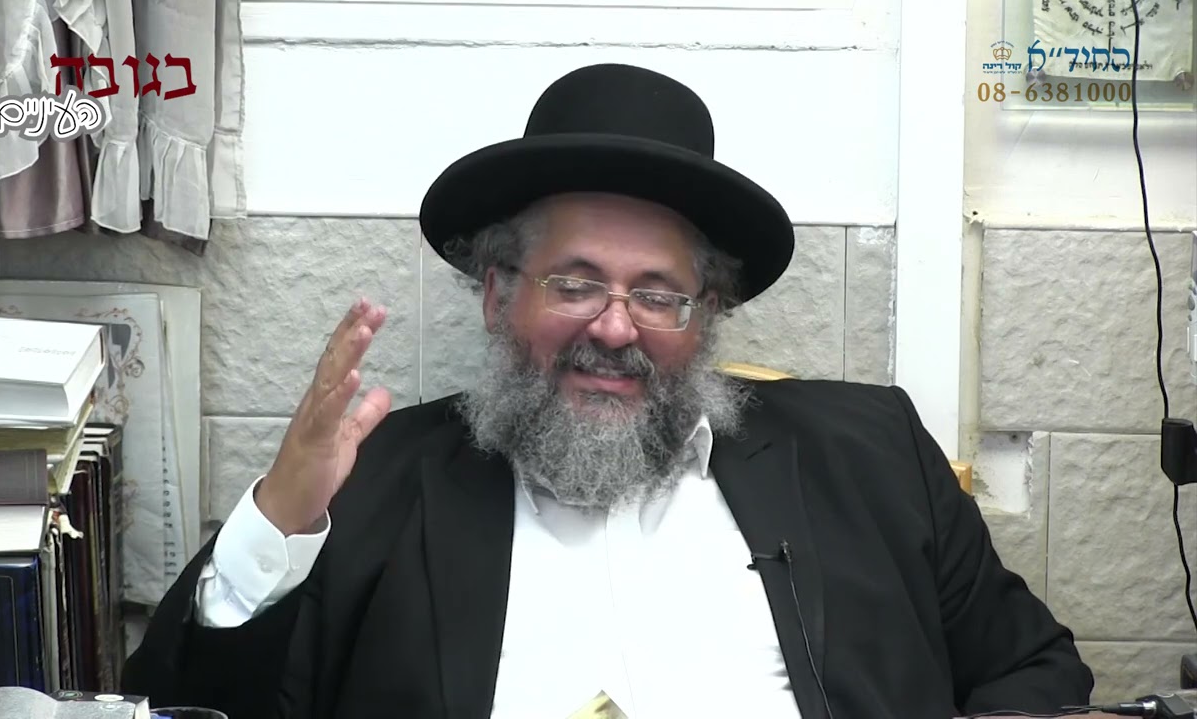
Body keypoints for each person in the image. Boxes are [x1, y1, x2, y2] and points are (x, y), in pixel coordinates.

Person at [122, 63, 1094, 719]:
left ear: (706, 315)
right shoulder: (373, 480)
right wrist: (277, 520)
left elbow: (1034, 673)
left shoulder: (870, 455)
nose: (615, 328)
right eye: (574, 283)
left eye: (658, 294)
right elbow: (182, 705)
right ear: (498, 294)